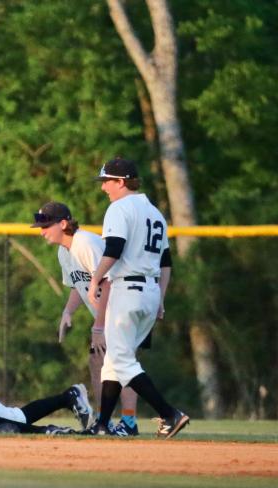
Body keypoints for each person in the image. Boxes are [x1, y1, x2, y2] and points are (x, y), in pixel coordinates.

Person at [85, 157, 189, 438]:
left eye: (106, 181)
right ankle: (103, 424)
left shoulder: (119, 208)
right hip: (150, 291)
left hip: (127, 291)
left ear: (120, 182)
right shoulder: (154, 212)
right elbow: (166, 261)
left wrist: (95, 277)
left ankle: (169, 414)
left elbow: (114, 248)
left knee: (122, 361)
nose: (103, 187)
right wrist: (161, 299)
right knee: (116, 361)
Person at [33, 201, 139, 436]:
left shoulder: (85, 243)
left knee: (122, 366)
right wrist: (67, 312)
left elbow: (109, 282)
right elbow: (77, 285)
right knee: (98, 364)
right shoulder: (64, 251)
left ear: (63, 224)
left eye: (46, 226)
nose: (41, 232)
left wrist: (99, 326)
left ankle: (129, 422)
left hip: (121, 311)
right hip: (107, 316)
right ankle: (105, 421)